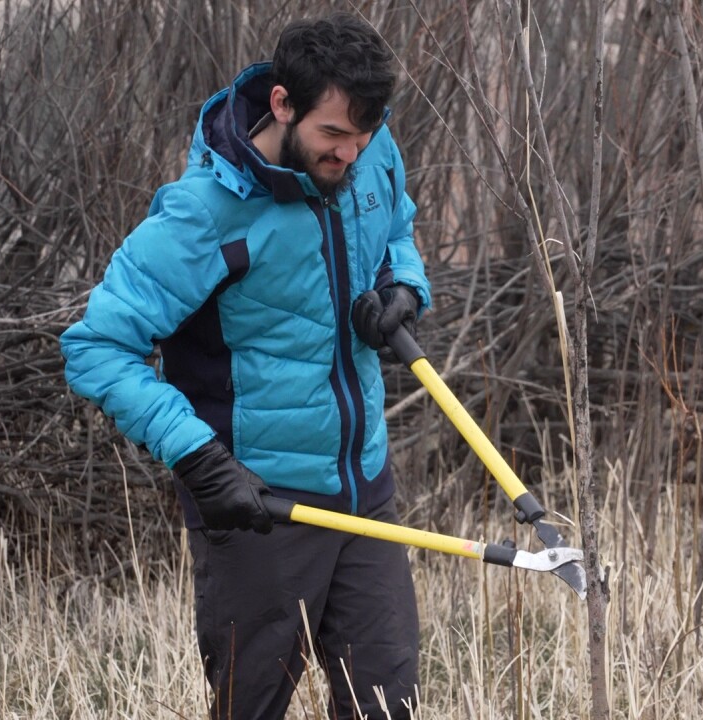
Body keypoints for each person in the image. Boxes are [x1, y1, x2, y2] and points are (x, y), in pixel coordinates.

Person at [60, 14, 429, 720]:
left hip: (364, 488)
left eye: (363, 137)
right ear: (283, 103)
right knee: (250, 706)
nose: (350, 155)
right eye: (332, 136)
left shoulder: (371, 147)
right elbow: (96, 346)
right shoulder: (202, 215)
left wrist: (402, 289)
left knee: (388, 706)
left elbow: (396, 227)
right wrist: (199, 458)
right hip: (260, 504)